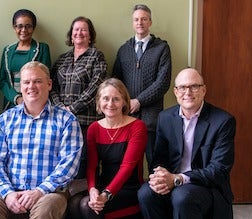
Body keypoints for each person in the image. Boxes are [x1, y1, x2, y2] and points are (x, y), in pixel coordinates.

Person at [0, 61, 83, 219]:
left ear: (49, 84)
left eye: (37, 81)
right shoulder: (6, 119)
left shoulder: (67, 120)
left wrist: (39, 191)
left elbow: (69, 164)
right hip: (11, 190)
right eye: (26, 82)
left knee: (45, 210)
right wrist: (7, 193)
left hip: (50, 193)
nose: (31, 86)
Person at [138, 68, 236, 219]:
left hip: (206, 186)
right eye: (182, 87)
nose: (188, 92)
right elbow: (159, 158)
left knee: (182, 196)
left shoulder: (223, 121)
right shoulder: (165, 118)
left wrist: (179, 179)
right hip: (173, 180)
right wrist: (160, 176)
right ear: (176, 92)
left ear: (203, 90)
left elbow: (219, 170)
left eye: (194, 86)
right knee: (146, 193)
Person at [69, 78, 147, 219]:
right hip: (103, 185)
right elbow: (92, 166)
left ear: (124, 101)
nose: (110, 104)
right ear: (99, 102)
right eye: (106, 98)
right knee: (74, 203)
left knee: (86, 206)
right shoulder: (94, 129)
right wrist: (92, 189)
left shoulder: (137, 126)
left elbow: (127, 167)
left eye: (116, 99)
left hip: (128, 188)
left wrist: (106, 194)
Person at [112, 4, 172, 172]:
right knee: (127, 160)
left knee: (153, 158)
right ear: (133, 23)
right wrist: (125, 102)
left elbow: (163, 82)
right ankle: (130, 193)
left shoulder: (162, 48)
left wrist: (139, 101)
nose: (140, 22)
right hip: (127, 114)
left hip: (152, 116)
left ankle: (153, 194)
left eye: (144, 19)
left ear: (150, 22)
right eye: (137, 19)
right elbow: (115, 80)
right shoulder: (124, 50)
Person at [50, 16, 108, 179]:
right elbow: (51, 86)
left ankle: (85, 197)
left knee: (85, 160)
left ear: (90, 35)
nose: (79, 33)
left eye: (84, 30)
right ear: (71, 34)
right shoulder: (62, 59)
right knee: (62, 159)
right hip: (61, 120)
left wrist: (72, 109)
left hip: (86, 120)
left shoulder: (96, 56)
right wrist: (60, 107)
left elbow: (97, 86)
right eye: (76, 29)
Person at [0, 9, 51, 110]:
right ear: (14, 27)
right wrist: (17, 98)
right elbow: (3, 81)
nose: (24, 30)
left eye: (28, 26)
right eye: (20, 26)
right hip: (11, 103)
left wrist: (27, 99)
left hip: (35, 102)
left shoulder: (42, 49)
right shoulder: (7, 51)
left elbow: (45, 79)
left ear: (33, 28)